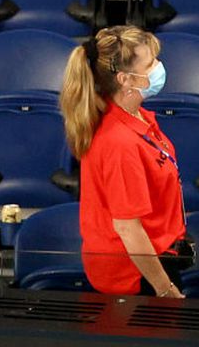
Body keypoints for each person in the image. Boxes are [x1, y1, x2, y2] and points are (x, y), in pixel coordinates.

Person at [59, 25, 189, 297]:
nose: (159, 67)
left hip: (155, 256)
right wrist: (165, 290)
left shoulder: (137, 118)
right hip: (136, 274)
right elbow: (128, 228)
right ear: (125, 79)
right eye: (151, 63)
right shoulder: (119, 143)